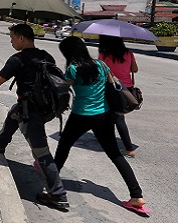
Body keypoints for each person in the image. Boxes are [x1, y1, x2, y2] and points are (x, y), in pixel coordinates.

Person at [0, 23, 68, 209]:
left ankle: (58, 194)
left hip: (31, 112)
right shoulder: (45, 56)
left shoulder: (18, 59)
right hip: (46, 108)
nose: (11, 41)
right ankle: (0, 143)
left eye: (12, 37)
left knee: (41, 152)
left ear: (21, 38)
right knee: (13, 114)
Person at [55, 36, 147, 213]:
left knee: (64, 145)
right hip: (104, 116)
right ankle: (137, 196)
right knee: (115, 155)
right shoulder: (101, 65)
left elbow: (61, 88)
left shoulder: (73, 69)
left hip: (81, 115)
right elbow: (112, 83)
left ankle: (51, 177)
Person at [98, 35, 138, 157]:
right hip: (127, 89)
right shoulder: (128, 53)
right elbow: (135, 70)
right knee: (112, 114)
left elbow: (100, 71)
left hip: (112, 88)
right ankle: (105, 137)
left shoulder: (104, 55)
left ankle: (129, 148)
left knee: (117, 117)